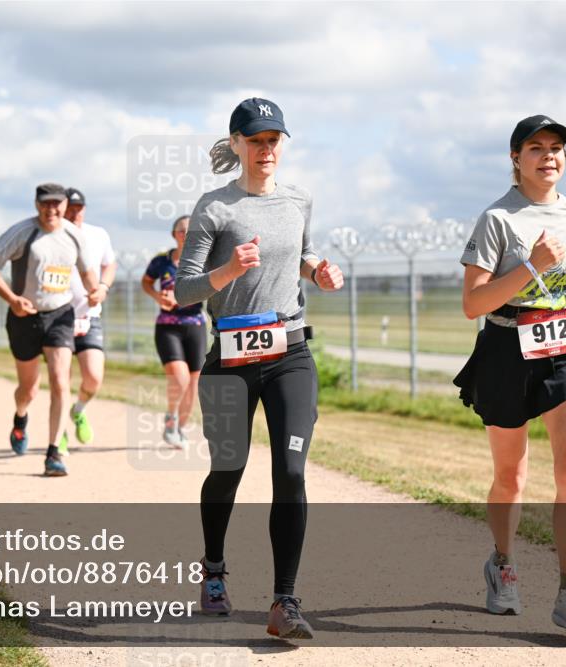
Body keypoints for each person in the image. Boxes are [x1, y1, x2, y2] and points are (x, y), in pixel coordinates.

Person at [175, 98, 343, 639]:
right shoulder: (214, 207)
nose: (266, 149)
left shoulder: (299, 200)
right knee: (229, 468)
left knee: (291, 472)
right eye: (256, 140)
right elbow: (183, 291)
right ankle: (214, 569)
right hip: (230, 358)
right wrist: (228, 270)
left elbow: (304, 254)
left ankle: (285, 602)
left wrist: (319, 271)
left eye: (274, 140)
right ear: (237, 144)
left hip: (290, 352)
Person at [454, 115, 566, 632]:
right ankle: (502, 562)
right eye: (536, 148)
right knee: (511, 477)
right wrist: (532, 266)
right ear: (515, 159)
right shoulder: (498, 219)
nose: (549, 156)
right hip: (506, 347)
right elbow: (473, 304)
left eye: (558, 148)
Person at [0, 183, 100, 477]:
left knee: (60, 381)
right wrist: (12, 299)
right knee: (28, 390)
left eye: (57, 204)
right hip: (25, 317)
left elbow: (87, 271)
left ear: (63, 205)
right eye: (45, 204)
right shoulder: (23, 233)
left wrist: (96, 289)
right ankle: (21, 419)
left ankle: (53, 453)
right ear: (37, 205)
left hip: (60, 314)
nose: (52, 210)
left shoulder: (74, 235)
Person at [57, 187, 116, 454]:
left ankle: (78, 410)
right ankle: (59, 435)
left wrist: (102, 287)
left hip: (89, 315)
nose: (74, 213)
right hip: (58, 318)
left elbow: (110, 264)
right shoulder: (54, 237)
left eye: (79, 208)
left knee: (93, 377)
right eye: (70, 208)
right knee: (62, 380)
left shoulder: (98, 234)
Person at [143, 215, 206, 448]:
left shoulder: (203, 261)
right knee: (179, 378)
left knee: (193, 382)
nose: (187, 235)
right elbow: (146, 282)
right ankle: (171, 417)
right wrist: (158, 296)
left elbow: (211, 287)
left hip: (196, 325)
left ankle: (179, 428)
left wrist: (181, 298)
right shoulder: (161, 261)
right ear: (174, 235)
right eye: (182, 231)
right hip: (168, 326)